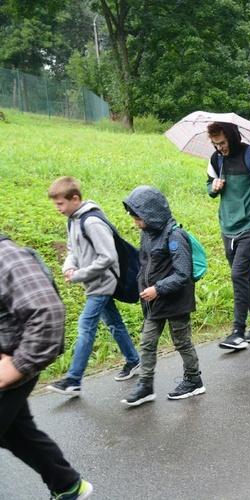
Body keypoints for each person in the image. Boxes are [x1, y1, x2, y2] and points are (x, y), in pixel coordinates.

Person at [0, 235, 94, 499]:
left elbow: (47, 311)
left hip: (11, 366)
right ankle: (67, 485)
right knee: (16, 432)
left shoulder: (5, 257)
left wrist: (17, 366)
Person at [46, 176, 141, 396]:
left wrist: (79, 275)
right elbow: (72, 249)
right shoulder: (73, 220)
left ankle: (73, 380)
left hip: (102, 283)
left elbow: (107, 257)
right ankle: (134, 360)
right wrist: (68, 267)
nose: (57, 208)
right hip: (93, 282)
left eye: (60, 204)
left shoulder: (92, 222)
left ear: (75, 199)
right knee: (114, 324)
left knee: (85, 327)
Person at [120, 186, 205, 406]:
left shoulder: (175, 235)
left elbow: (183, 274)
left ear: (151, 214)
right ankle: (145, 385)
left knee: (182, 342)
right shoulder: (146, 234)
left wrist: (158, 289)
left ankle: (194, 380)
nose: (136, 223)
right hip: (153, 302)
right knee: (147, 343)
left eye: (139, 218)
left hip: (175, 301)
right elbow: (145, 264)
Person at [206, 122, 250, 350]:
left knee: (238, 274)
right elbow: (209, 186)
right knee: (244, 275)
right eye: (215, 144)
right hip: (228, 226)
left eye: (223, 143)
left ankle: (238, 332)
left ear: (233, 137)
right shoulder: (216, 160)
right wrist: (213, 187)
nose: (219, 148)